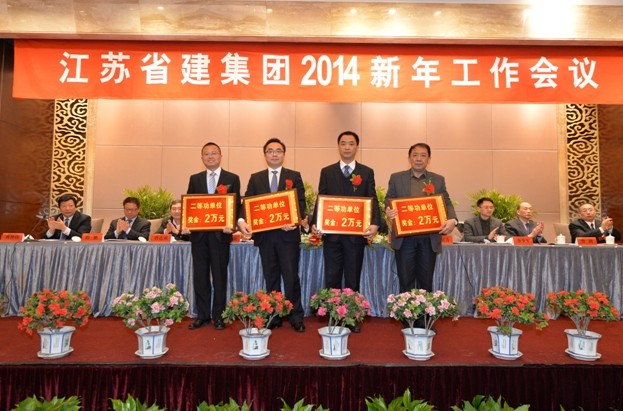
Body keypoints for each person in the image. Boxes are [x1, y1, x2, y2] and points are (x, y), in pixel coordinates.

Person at [311, 131, 381, 333]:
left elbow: (372, 199)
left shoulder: (366, 172)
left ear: (356, 147)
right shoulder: (327, 171)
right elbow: (321, 198)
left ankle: (351, 317)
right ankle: (333, 316)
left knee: (352, 278)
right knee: (332, 277)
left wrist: (375, 224)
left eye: (351, 143)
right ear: (338, 146)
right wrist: (316, 223)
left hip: (355, 237)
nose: (347, 147)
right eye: (343, 143)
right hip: (332, 236)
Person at [237, 138, 307, 333]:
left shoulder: (294, 176)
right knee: (271, 278)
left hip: (288, 236)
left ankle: (296, 316)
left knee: (291, 277)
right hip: (266, 237)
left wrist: (294, 221)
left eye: (278, 151)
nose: (274, 154)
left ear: (284, 154)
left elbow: (301, 203)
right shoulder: (256, 178)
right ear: (265, 154)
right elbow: (247, 203)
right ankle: (274, 316)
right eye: (270, 151)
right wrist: (242, 221)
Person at [385, 143, 458, 300]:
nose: (419, 159)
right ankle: (406, 313)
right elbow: (389, 200)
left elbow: (447, 202)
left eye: (423, 155)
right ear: (409, 158)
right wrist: (388, 210)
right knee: (405, 280)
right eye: (415, 155)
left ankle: (425, 314)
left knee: (426, 281)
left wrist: (453, 219)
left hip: (428, 239)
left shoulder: (438, 180)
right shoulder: (396, 178)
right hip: (404, 239)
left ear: (429, 159)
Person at [187, 142, 242, 331]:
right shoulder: (195, 179)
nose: (210, 156)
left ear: (220, 156)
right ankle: (202, 315)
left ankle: (219, 316)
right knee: (200, 277)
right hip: (199, 237)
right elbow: (191, 205)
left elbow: (236, 205)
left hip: (221, 236)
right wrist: (187, 224)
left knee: (219, 277)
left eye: (214, 153)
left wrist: (232, 225)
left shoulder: (232, 178)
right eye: (206, 154)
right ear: (202, 158)